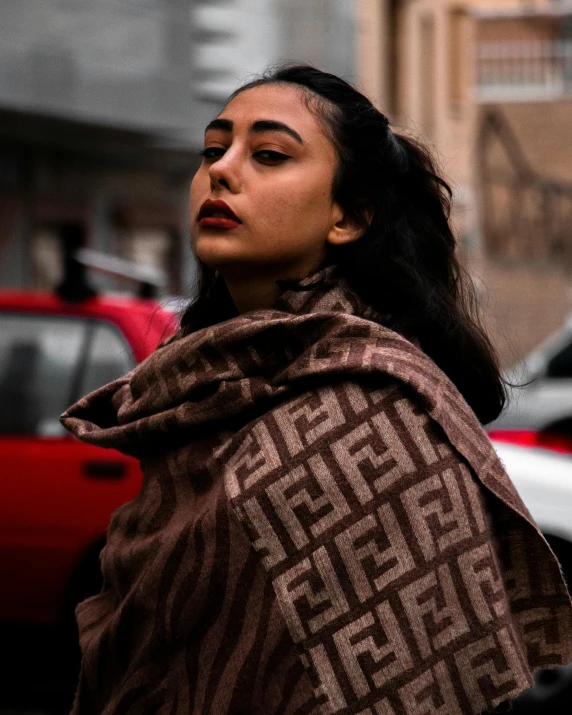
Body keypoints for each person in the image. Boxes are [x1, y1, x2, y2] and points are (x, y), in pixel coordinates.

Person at [61, 65, 572, 715]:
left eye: (269, 154)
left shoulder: (370, 412)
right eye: (213, 150)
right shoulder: (196, 391)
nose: (222, 170)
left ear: (348, 217)